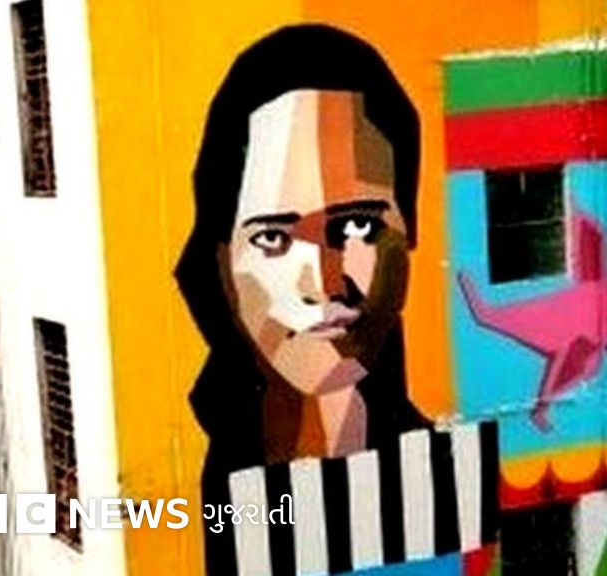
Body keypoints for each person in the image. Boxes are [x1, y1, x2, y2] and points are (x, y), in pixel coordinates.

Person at [175, 24, 428, 574]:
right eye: (273, 238)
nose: (323, 282)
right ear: (222, 263)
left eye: (358, 225)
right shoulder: (232, 497)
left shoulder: (440, 478)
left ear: (408, 233)